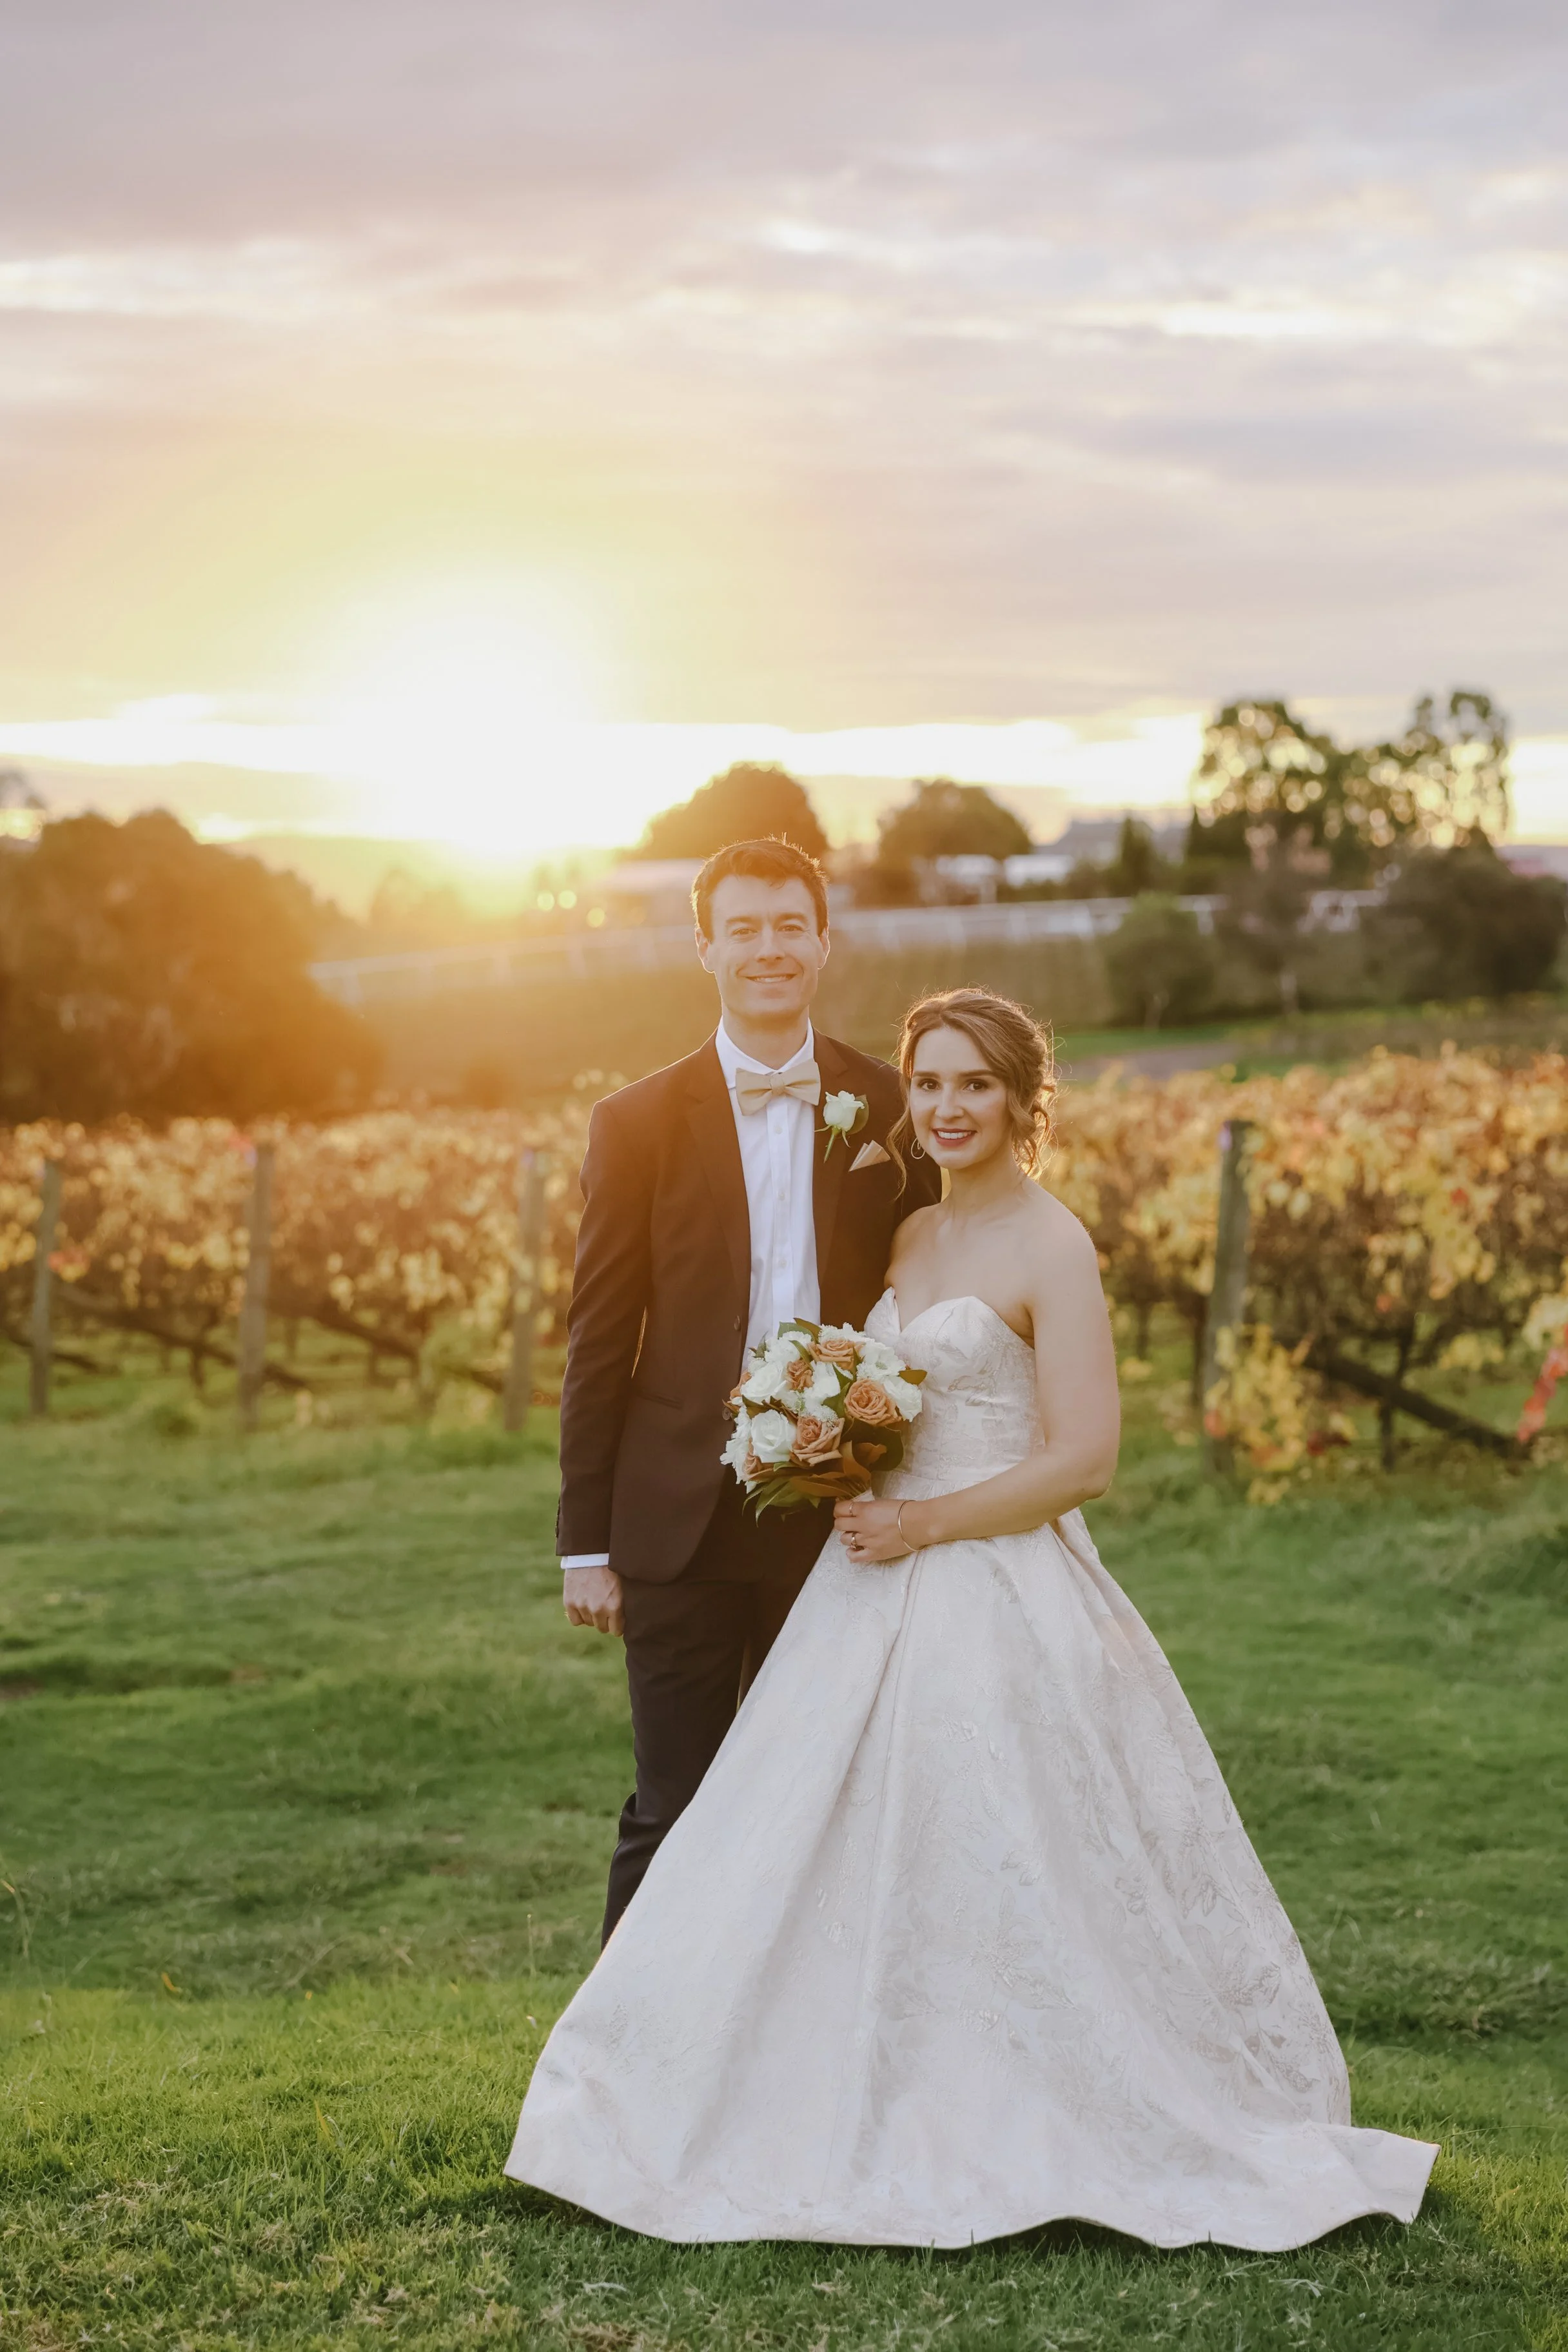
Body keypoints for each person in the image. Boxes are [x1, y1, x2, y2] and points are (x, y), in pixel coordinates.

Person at [508, 985, 1439, 2250]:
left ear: (1018, 1101)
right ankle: (797, 2077)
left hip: (988, 1573)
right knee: (806, 1835)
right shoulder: (899, 1240)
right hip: (868, 1577)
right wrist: (826, 1443)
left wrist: (923, 1525)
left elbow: (1085, 1460)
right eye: (929, 1084)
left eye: (973, 1086)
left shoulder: (1053, 1248)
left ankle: (1032, 2100)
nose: (946, 1109)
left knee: (1001, 1840)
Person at [555, 835, 941, 1943]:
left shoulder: (887, 1106)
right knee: (672, 1805)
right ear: (706, 948)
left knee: (821, 1800)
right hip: (671, 1520)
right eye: (744, 929)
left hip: (836, 1513)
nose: (768, 948)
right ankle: (625, 2075)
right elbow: (597, 1341)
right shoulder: (632, 1124)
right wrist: (587, 1544)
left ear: (821, 941)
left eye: (789, 926)